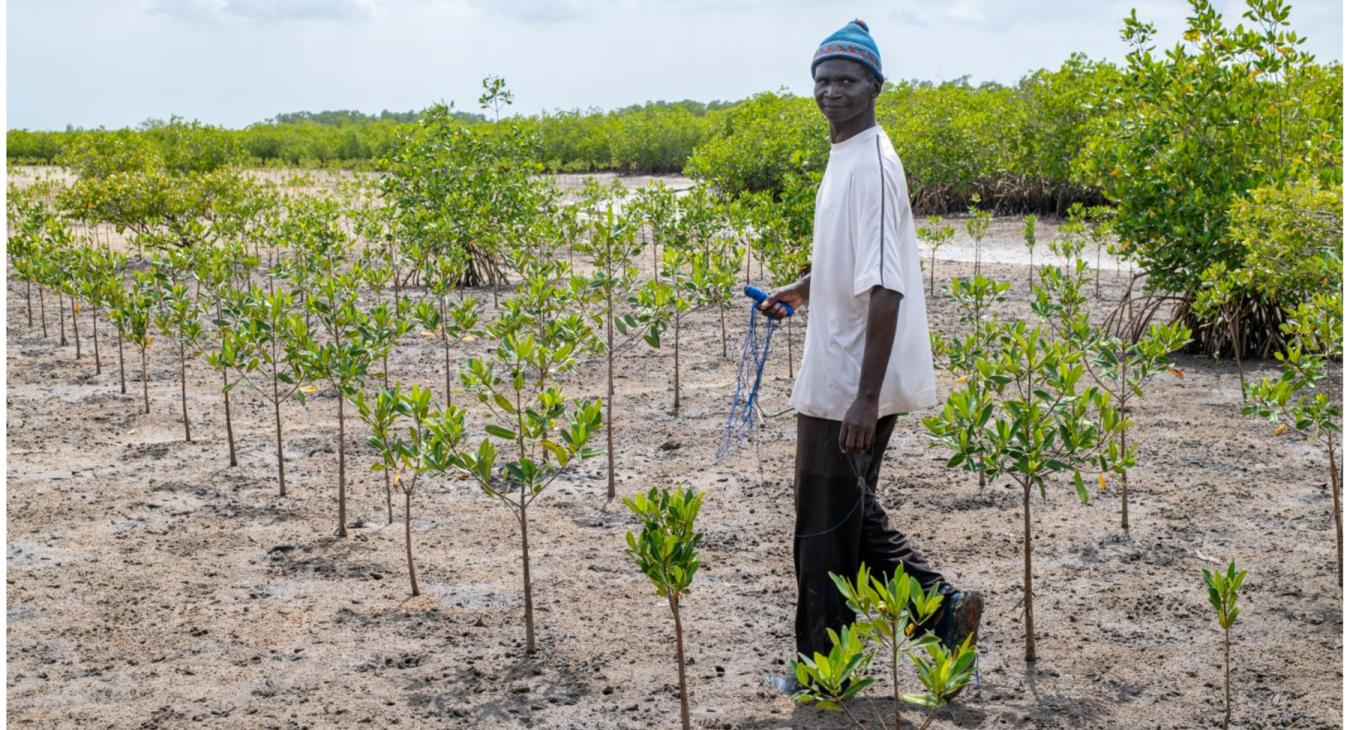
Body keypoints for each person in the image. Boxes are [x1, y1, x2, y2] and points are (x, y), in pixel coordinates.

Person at [761, 18, 982, 693]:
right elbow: (850, 264)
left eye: (847, 80)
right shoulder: (846, 155)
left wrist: (864, 396)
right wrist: (800, 292)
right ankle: (942, 611)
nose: (833, 91)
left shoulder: (876, 165)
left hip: (854, 379)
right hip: (837, 367)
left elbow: (886, 288)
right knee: (842, 516)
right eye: (823, 80)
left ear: (875, 86)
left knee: (824, 525)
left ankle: (825, 672)